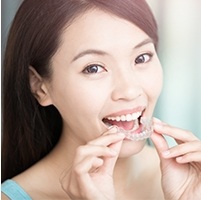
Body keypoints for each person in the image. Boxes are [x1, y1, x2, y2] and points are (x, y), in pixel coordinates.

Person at [1, 0, 201, 199]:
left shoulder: (192, 182)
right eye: (93, 68)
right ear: (40, 87)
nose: (130, 91)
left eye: (142, 58)